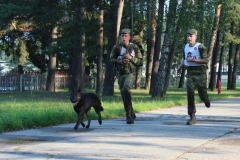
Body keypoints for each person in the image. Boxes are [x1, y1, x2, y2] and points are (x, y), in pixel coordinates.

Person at [177, 29, 210, 125]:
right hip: (190, 73)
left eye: (191, 36)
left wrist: (194, 60)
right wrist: (179, 68)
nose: (189, 38)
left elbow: (206, 60)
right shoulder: (186, 47)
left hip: (200, 73)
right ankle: (192, 116)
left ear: (195, 37)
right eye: (188, 36)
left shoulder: (200, 47)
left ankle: (205, 99)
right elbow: (184, 59)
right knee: (190, 93)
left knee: (202, 93)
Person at [110, 28, 143, 124]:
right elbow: (111, 59)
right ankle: (131, 112)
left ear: (129, 37)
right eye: (122, 35)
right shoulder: (117, 48)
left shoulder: (135, 47)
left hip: (131, 73)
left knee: (125, 89)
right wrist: (118, 61)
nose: (124, 37)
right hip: (120, 73)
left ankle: (128, 116)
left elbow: (140, 62)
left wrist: (130, 58)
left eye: (126, 36)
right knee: (123, 94)